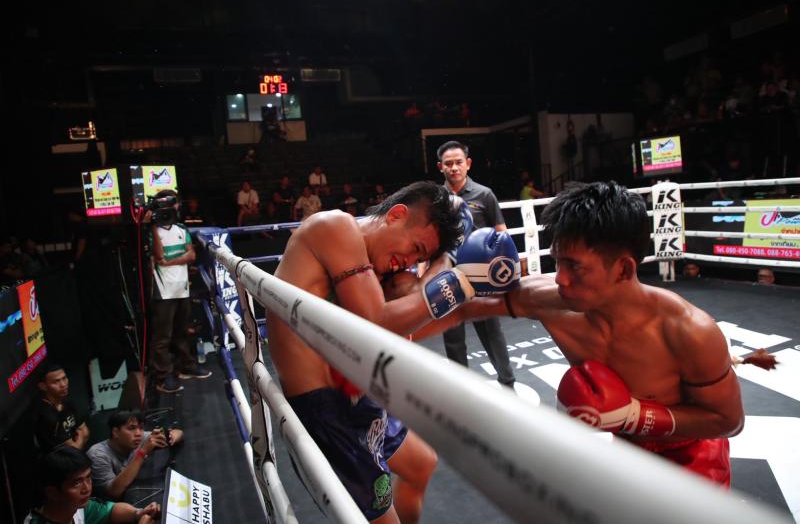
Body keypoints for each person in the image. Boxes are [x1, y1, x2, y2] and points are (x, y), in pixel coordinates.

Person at [438, 181, 744, 486]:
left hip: (691, 458)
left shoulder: (689, 331)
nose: (560, 278)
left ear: (623, 269)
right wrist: (445, 275)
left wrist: (635, 416)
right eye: (557, 261)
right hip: (627, 454)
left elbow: (728, 421)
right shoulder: (549, 301)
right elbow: (459, 309)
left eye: (574, 266)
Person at [268, 181, 513, 523]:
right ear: (396, 215)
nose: (408, 262)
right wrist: (460, 281)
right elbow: (378, 321)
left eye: (420, 259)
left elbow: (412, 317)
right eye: (416, 248)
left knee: (421, 464)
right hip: (326, 408)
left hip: (355, 396)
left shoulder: (374, 270)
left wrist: (450, 265)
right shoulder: (335, 226)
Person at [437, 140, 516, 388]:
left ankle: (507, 380)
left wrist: (507, 272)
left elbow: (501, 233)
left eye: (458, 162)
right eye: (448, 163)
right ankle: (462, 388)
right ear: (440, 167)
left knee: (491, 331)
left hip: (481, 275)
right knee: (452, 334)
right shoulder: (436, 199)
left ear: (468, 164)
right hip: (448, 273)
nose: (454, 167)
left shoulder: (484, 194)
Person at [147, 190, 211, 393]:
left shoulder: (182, 228)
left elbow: (191, 255)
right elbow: (158, 256)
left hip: (182, 287)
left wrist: (170, 261)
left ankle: (187, 366)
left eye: (174, 204)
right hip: (163, 291)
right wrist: (153, 225)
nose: (174, 208)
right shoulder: (151, 232)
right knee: (162, 336)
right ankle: (163, 376)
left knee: (183, 330)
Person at [26, 446, 160, 524]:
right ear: (52, 493)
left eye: (88, 478)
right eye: (77, 483)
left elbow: (111, 510)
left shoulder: (75, 507)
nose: (87, 488)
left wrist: (138, 513)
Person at [87, 410, 183, 500]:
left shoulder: (141, 438)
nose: (138, 433)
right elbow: (113, 492)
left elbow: (178, 433)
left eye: (141, 428)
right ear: (115, 432)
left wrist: (173, 435)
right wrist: (142, 452)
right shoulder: (97, 454)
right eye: (132, 428)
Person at [35, 365, 90, 453]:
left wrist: (79, 441)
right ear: (43, 386)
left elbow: (85, 432)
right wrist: (80, 437)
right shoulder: (46, 415)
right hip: (61, 459)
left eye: (64, 378)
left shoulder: (67, 400)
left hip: (79, 454)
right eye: (56, 381)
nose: (63, 384)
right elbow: (73, 449)